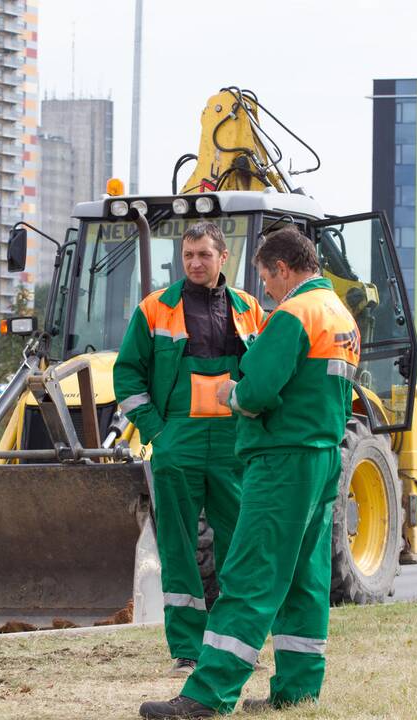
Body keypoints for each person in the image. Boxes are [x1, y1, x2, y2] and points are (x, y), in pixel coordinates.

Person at [138, 226, 360, 718]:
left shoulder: (294, 315)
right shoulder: (340, 315)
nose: (266, 290)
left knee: (249, 573)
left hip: (281, 459)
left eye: (267, 278)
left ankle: (206, 694)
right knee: (305, 577)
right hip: (323, 457)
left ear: (282, 268)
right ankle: (298, 689)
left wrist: (230, 394)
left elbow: (257, 390)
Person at [114, 221, 264, 677]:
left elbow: (265, 372)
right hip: (177, 441)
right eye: (188, 256)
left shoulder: (251, 309)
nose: (195, 263)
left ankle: (236, 644)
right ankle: (187, 649)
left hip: (233, 445)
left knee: (240, 545)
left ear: (223, 258)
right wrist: (158, 432)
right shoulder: (155, 309)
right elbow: (127, 377)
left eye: (203, 255)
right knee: (178, 548)